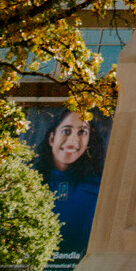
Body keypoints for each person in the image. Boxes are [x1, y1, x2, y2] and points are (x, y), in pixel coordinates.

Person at [26, 108, 110, 258]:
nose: (72, 141)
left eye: (82, 132)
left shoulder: (101, 187)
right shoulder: (25, 182)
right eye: (66, 131)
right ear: (51, 138)